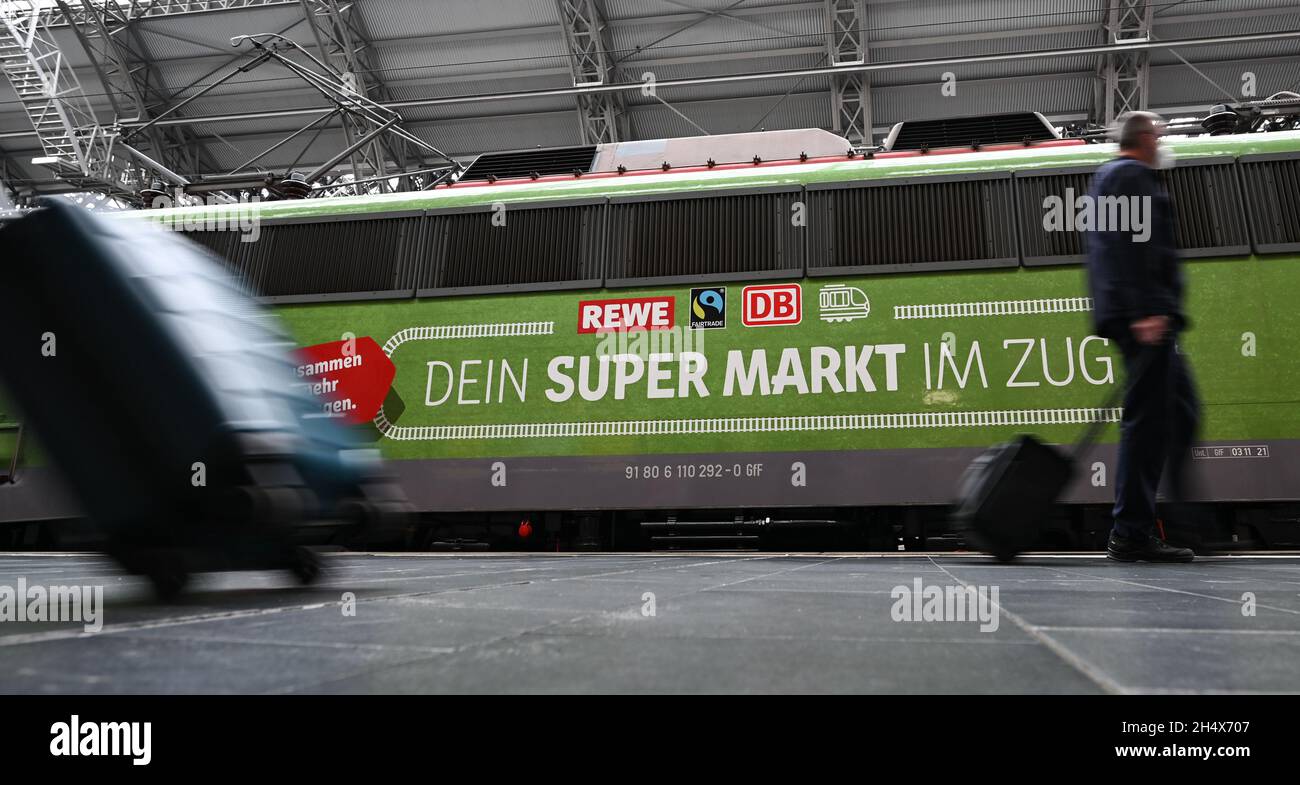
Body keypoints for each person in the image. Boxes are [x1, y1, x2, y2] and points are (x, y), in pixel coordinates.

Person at [1084, 111, 1198, 563]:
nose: (1164, 140)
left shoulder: (1117, 177)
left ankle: (1174, 516)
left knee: (1179, 412)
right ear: (1145, 138)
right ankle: (1133, 530)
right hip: (1145, 321)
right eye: (1160, 132)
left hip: (1149, 318)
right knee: (1150, 421)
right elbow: (1123, 248)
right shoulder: (1127, 176)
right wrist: (1143, 313)